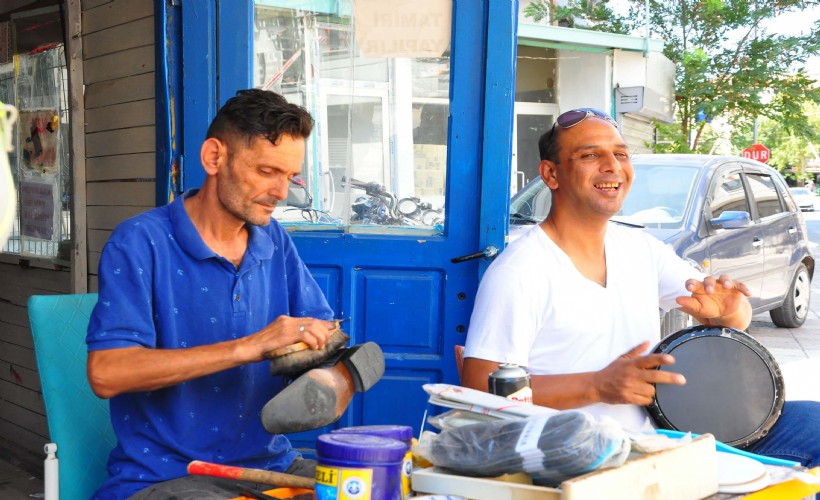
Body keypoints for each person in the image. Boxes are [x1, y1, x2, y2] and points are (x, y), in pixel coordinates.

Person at [462, 108, 819, 468]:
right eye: (590, 155)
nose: (612, 166)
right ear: (551, 174)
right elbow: (480, 390)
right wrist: (597, 386)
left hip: (658, 438)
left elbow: (736, 318)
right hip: (574, 457)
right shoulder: (520, 271)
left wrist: (724, 308)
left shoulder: (639, 249)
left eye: (620, 154)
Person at [86, 89, 339, 499]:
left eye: (289, 177)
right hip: (169, 477)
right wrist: (249, 347)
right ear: (214, 158)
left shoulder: (273, 239)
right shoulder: (140, 242)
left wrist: (329, 377)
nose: (281, 192)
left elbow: (321, 338)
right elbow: (106, 373)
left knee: (378, 487)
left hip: (271, 467)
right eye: (266, 171)